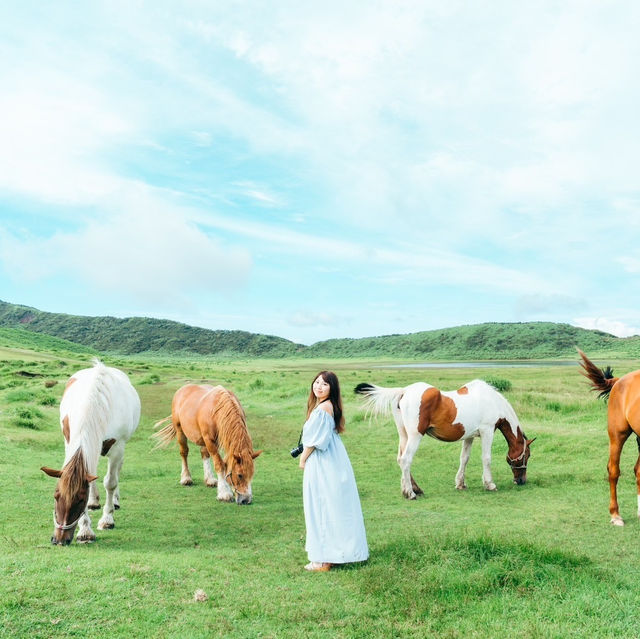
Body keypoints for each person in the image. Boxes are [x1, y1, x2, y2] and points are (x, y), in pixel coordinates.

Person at [298, 371, 369, 572]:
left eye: (325, 384)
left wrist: (303, 459)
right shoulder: (328, 407)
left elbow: (314, 440)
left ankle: (322, 559)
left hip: (322, 461)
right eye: (317, 382)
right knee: (332, 505)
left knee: (320, 505)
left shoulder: (323, 409)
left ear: (332, 389)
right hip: (333, 459)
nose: (319, 386)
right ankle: (334, 554)